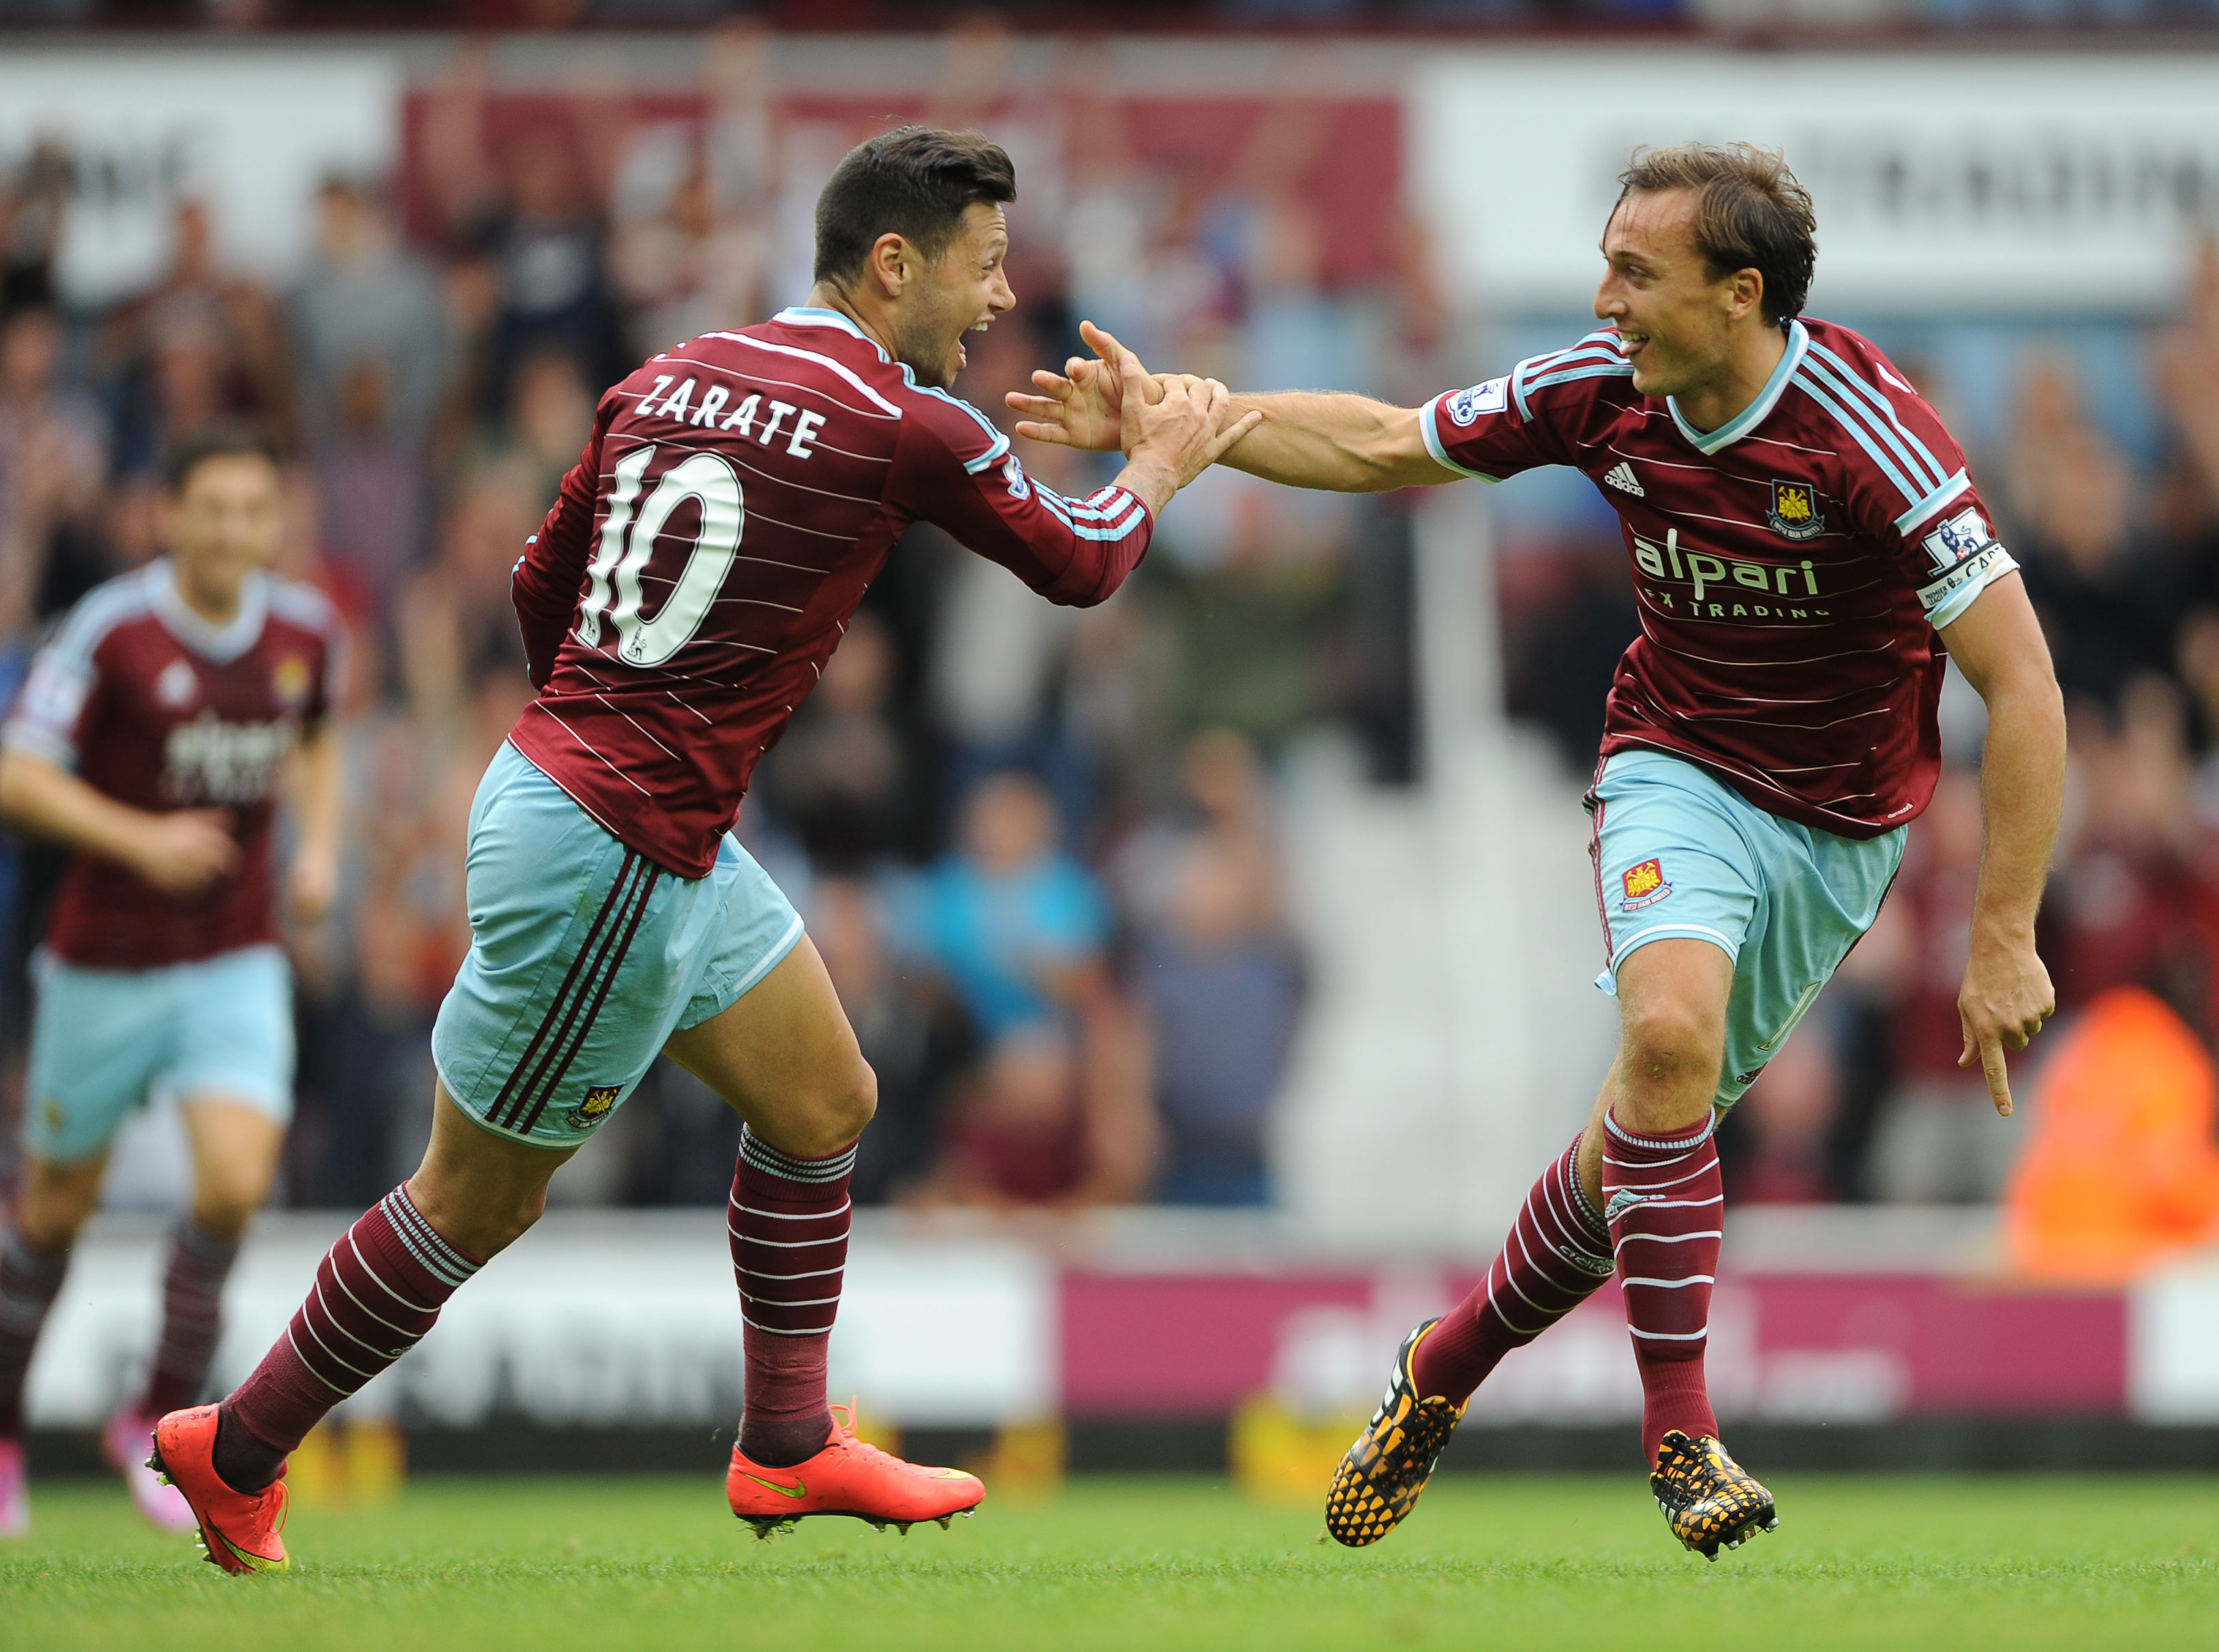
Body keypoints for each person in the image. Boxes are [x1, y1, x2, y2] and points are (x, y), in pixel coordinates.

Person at [145, 125, 1256, 1574]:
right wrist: (1163, 458)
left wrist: (616, 728)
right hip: (619, 844)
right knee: (477, 1199)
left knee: (822, 1099)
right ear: (893, 260)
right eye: (982, 270)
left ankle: (786, 1444)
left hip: (607, 804)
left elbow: (541, 590)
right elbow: (1086, 561)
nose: (997, 303)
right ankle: (234, 1449)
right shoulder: (905, 418)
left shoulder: (662, 376)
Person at [1012, 142, 2064, 1559]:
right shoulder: (1595, 393)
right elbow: (1385, 441)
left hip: (1836, 833)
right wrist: (1176, 426)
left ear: (1737, 292)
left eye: (1636, 271)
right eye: (1604, 263)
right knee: (1671, 1047)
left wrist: (2001, 934)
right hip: (1671, 772)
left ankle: (1439, 1370)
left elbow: (2024, 684)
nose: (1603, 295)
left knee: (1633, 1134)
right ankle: (1683, 1440)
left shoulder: (1866, 438)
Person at [0, 427, 344, 1538]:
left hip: (232, 958)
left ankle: (154, 1414)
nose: (236, 531)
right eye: (216, 510)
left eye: (256, 511)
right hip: (103, 962)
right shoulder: (113, 629)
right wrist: (142, 842)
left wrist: (322, 852)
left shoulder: (305, 631)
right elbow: (17, 772)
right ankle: (4, 1429)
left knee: (237, 1184)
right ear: (171, 516)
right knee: (50, 1217)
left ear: (274, 520)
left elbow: (322, 740)